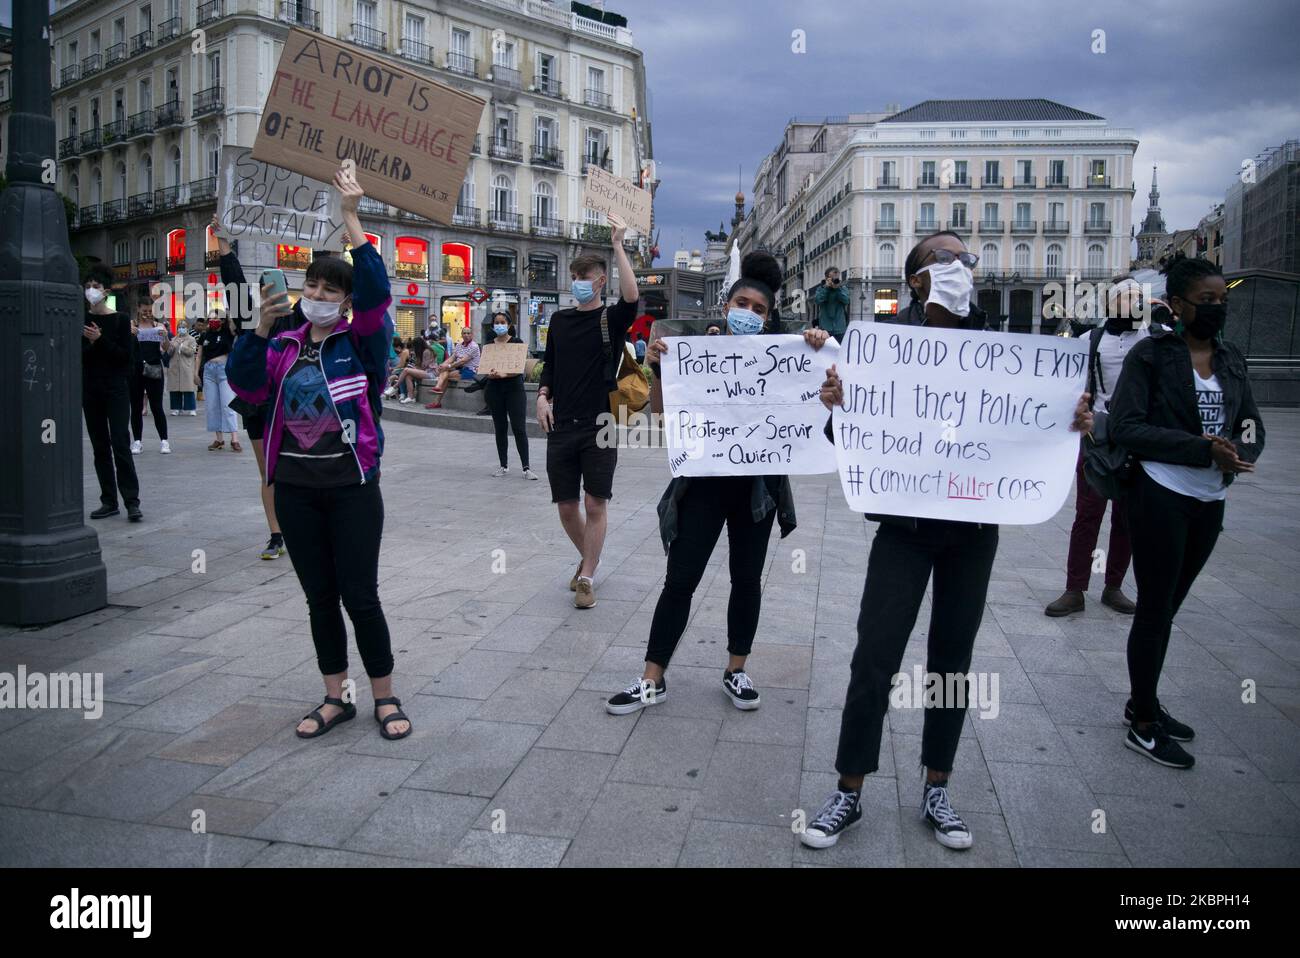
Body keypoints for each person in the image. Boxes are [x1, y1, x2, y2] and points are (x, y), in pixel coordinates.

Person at [801, 231, 1093, 851]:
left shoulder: (997, 349)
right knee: (874, 654)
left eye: (965, 258)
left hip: (972, 532)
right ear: (914, 279)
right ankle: (848, 790)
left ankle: (938, 785)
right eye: (944, 257)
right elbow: (844, 438)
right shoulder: (878, 347)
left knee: (952, 660)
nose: (960, 265)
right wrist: (837, 406)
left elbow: (1033, 422)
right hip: (903, 532)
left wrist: (1075, 421)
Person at [228, 165, 412, 741]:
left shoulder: (362, 342)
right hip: (297, 492)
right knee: (319, 599)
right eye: (312, 287)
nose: (318, 297)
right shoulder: (281, 343)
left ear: (345, 300)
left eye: (331, 290)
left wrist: (351, 218)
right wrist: (257, 330)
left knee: (360, 595)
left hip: (353, 489)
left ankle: (385, 696)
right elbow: (247, 388)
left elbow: (380, 294)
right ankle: (336, 697)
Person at [606, 252, 830, 715]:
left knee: (746, 580)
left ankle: (736, 669)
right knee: (680, 580)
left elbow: (816, 416)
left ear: (768, 320)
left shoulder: (790, 356)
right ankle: (653, 677)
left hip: (758, 490)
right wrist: (658, 369)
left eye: (759, 309)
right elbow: (666, 421)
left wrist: (819, 347)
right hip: (704, 484)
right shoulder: (696, 355)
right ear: (725, 306)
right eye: (741, 303)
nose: (748, 313)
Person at [1108, 255, 1264, 770]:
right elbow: (1127, 427)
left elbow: (1249, 424)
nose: (1217, 308)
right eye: (1207, 301)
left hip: (1210, 499)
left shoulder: (1231, 359)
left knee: (1169, 605)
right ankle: (1144, 723)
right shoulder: (1151, 357)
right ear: (1178, 305)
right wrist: (1202, 450)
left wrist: (1245, 453)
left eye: (1223, 300)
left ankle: (1143, 699)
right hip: (1160, 493)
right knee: (1155, 606)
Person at [537, 213, 640, 609]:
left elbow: (631, 298)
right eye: (575, 275)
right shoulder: (559, 322)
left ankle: (587, 576)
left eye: (587, 276)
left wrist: (618, 246)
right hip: (561, 424)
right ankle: (590, 559)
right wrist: (543, 395)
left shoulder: (609, 319)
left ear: (600, 282)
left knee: (595, 503)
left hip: (601, 425)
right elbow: (550, 365)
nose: (580, 281)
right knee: (566, 506)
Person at [1044, 278, 1147, 618]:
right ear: (1111, 303)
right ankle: (1075, 588)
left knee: (1128, 517)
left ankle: (1113, 585)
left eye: (1138, 297)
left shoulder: (1152, 340)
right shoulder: (1091, 340)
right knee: (1088, 514)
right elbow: (1069, 384)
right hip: (1097, 437)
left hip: (1137, 437)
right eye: (1126, 297)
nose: (1134, 303)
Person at [82, 264, 142, 522]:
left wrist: (100, 340)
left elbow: (125, 359)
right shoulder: (80, 320)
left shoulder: (120, 320)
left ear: (106, 291)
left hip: (116, 388)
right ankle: (109, 501)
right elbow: (79, 356)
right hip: (90, 388)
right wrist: (91, 343)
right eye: (87, 287)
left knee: (120, 442)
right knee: (99, 446)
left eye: (95, 286)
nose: (91, 291)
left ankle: (131, 501)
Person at [482, 316, 537, 479]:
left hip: (514, 389)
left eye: (502, 322)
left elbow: (519, 366)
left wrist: (504, 373)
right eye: (496, 323)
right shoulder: (490, 344)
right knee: (500, 428)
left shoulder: (517, 342)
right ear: (493, 326)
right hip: (494, 389)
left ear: (509, 324)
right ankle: (503, 466)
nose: (499, 325)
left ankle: (526, 468)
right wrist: (491, 374)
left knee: (519, 427)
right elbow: (485, 366)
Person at [129, 291, 171, 454]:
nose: (147, 313)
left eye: (150, 310)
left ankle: (164, 440)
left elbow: (167, 349)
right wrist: (129, 334)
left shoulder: (158, 326)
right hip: (135, 370)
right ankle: (137, 441)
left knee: (156, 406)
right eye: (144, 310)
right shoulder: (132, 326)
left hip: (154, 368)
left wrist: (166, 337)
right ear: (138, 309)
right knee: (136, 406)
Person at [196, 306, 241, 451]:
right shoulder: (205, 335)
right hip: (209, 372)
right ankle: (219, 438)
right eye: (211, 317)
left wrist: (229, 315)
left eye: (216, 317)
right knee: (212, 406)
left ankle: (234, 439)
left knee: (228, 404)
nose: (213, 320)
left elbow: (235, 326)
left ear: (222, 320)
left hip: (224, 371)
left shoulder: (228, 332)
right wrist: (195, 373)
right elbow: (199, 355)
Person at [425, 326, 481, 407]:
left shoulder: (474, 346)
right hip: (460, 369)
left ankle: (437, 397)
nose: (466, 335)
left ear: (472, 335)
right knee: (445, 372)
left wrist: (448, 366)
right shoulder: (458, 345)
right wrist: (442, 365)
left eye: (468, 333)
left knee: (445, 376)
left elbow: (462, 361)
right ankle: (437, 389)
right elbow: (452, 358)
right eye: (464, 333)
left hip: (471, 371)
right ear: (461, 335)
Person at [165, 320, 199, 416]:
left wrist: (182, 347)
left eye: (183, 327)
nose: (181, 329)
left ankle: (191, 408)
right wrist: (172, 346)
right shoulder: (174, 339)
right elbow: (169, 353)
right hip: (174, 367)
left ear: (187, 328)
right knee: (175, 389)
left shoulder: (191, 339)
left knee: (188, 389)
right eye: (179, 327)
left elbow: (191, 352)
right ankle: (176, 408)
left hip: (186, 367)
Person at [390, 337, 436, 404]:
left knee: (406, 370)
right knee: (408, 376)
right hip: (425, 372)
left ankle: (395, 387)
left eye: (414, 346)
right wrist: (415, 367)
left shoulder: (427, 351)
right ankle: (410, 397)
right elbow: (420, 366)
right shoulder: (421, 351)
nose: (414, 348)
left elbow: (424, 366)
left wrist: (414, 368)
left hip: (430, 373)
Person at [813, 266, 850, 339]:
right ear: (827, 278)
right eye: (832, 278)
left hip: (840, 329)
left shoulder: (843, 288)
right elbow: (818, 300)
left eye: (836, 278)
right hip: (825, 329)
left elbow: (846, 301)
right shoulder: (821, 289)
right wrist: (826, 288)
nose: (835, 280)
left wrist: (838, 289)